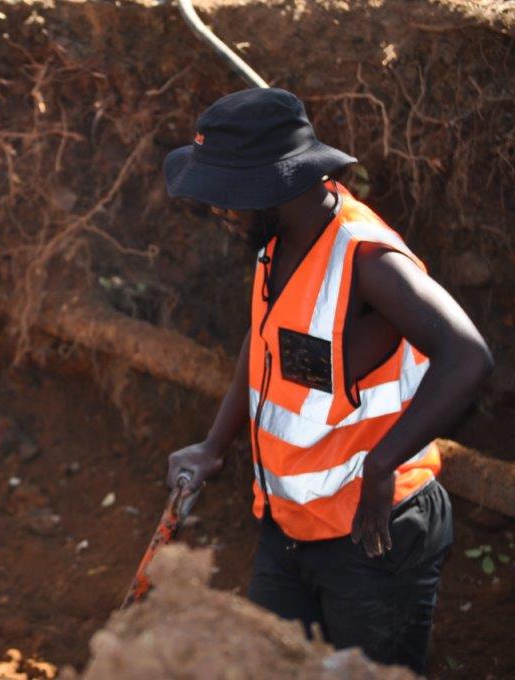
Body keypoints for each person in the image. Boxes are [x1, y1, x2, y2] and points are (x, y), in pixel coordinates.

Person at [162, 88, 492, 673]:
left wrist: (382, 465)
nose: (217, 209)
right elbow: (263, 342)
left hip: (372, 537)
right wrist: (214, 444)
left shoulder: (368, 260)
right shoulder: (273, 246)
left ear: (274, 186)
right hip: (289, 527)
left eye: (227, 196)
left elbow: (467, 358)